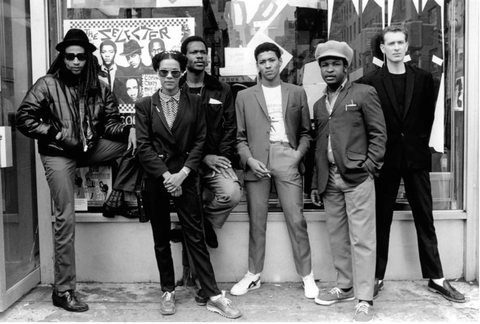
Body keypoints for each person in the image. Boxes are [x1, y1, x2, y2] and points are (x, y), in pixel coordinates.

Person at [16, 29, 139, 312]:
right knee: (65, 219)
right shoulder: (47, 84)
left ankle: (117, 195)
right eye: (70, 56)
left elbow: (110, 124)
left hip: (88, 147)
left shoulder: (100, 86)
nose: (75, 61)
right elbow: (24, 118)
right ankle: (64, 290)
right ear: (63, 57)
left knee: (138, 145)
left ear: (88, 59)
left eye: (81, 57)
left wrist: (129, 130)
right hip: (59, 153)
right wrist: (56, 135)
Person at [355, 25, 466, 303]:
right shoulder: (370, 81)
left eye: (400, 43)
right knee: (380, 220)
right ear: (381, 48)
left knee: (425, 218)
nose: (395, 47)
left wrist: (426, 148)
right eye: (390, 43)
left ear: (407, 47)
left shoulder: (425, 78)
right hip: (385, 158)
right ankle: (376, 277)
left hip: (416, 157)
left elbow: (428, 118)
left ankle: (436, 278)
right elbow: (367, 123)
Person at [135, 50, 242, 318]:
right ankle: (168, 290)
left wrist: (182, 173)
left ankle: (213, 294)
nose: (169, 77)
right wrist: (166, 177)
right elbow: (144, 146)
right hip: (158, 179)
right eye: (163, 72)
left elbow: (200, 141)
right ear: (156, 73)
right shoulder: (145, 105)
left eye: (174, 72)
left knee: (195, 236)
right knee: (160, 237)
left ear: (182, 72)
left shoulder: (195, 102)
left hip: (186, 176)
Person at [232, 42, 318, 299]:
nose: (267, 65)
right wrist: (248, 160)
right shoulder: (244, 96)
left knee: (297, 220)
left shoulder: (296, 92)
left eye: (271, 60)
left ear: (280, 61)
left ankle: (307, 275)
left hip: (287, 157)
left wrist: (297, 155)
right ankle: (253, 274)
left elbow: (306, 133)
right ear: (256, 65)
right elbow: (239, 137)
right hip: (257, 160)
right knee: (257, 221)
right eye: (262, 61)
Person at [309, 40, 387, 322]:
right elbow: (319, 145)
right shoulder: (319, 103)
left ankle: (364, 298)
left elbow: (379, 135)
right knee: (338, 237)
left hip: (357, 177)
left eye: (335, 64)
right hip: (329, 180)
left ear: (346, 67)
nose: (329, 69)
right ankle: (344, 286)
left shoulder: (364, 93)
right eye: (324, 64)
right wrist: (317, 182)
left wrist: (369, 167)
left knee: (363, 239)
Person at [179, 36, 242, 249]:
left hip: (217, 158)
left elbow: (230, 127)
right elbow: (174, 134)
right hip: (186, 162)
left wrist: (222, 157)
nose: (199, 56)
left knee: (232, 194)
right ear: (184, 57)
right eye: (193, 52)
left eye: (202, 52)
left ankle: (201, 222)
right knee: (189, 199)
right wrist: (203, 158)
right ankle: (197, 226)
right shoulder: (176, 89)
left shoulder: (221, 88)